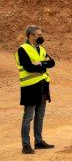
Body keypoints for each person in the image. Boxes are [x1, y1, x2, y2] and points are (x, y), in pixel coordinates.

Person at [15, 25, 55, 154]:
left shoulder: (41, 49)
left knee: (40, 116)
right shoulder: (22, 49)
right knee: (28, 117)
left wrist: (40, 63)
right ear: (31, 36)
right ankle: (26, 145)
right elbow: (28, 67)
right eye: (38, 35)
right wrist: (43, 64)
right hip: (30, 87)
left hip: (43, 86)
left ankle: (38, 141)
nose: (41, 37)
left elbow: (52, 63)